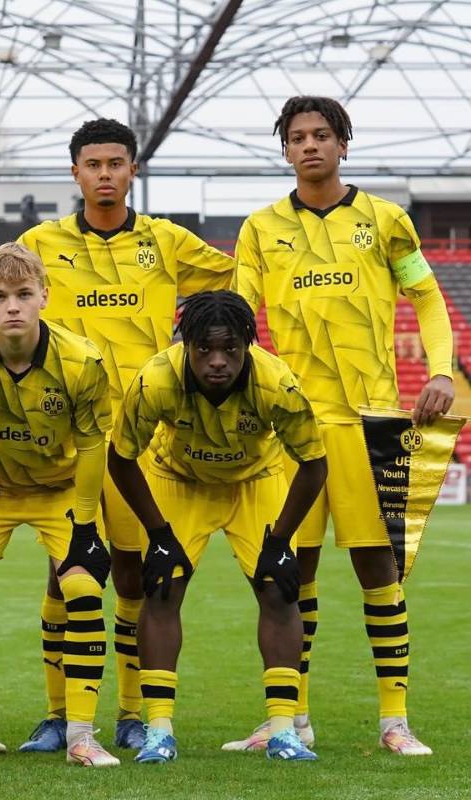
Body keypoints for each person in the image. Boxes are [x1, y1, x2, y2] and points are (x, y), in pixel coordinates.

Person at [229, 96, 454, 756]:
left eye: (322, 135)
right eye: (297, 137)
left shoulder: (386, 221)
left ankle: (394, 720)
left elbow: (428, 298)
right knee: (287, 574)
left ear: (344, 144)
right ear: (285, 150)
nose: (309, 146)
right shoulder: (259, 228)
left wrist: (441, 370)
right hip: (291, 428)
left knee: (377, 569)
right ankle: (289, 718)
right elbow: (239, 318)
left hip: (371, 424)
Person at [17, 118, 235, 753]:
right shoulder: (40, 243)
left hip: (142, 437)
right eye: (93, 163)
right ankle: (59, 715)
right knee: (66, 572)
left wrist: (190, 339)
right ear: (76, 172)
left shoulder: (166, 242)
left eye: (117, 162)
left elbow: (237, 283)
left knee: (139, 575)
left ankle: (131, 712)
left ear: (133, 169)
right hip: (63, 433)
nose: (105, 173)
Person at [108, 290, 328, 763]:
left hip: (255, 480)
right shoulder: (155, 381)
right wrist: (160, 535)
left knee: (279, 589)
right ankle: (159, 729)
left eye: (230, 349)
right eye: (204, 349)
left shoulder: (276, 384)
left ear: (247, 345)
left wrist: (282, 541)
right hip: (179, 479)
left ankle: (285, 730)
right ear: (185, 345)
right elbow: (121, 459)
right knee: (162, 588)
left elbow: (313, 464)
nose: (217, 362)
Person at [0, 243, 116, 769]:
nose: (13, 306)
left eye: (24, 294)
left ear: (44, 298)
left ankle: (81, 733)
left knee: (82, 588)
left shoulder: (83, 360)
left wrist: (82, 523)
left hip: (60, 491)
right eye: (1, 296)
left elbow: (94, 445)